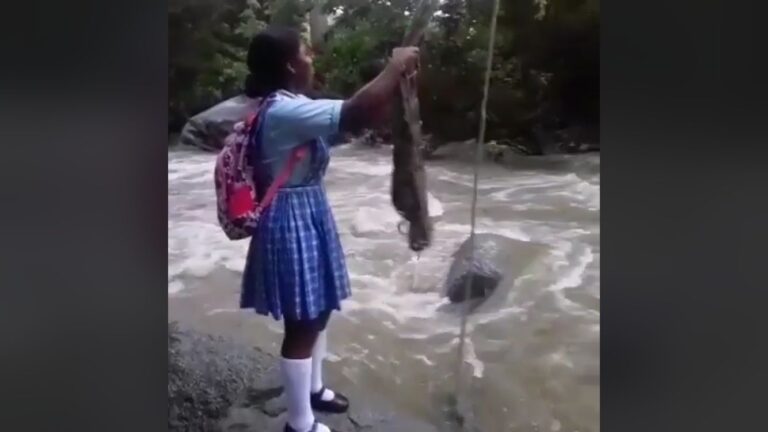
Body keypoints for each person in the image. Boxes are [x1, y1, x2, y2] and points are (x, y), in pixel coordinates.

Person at [239, 26, 420, 432]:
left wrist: (392, 82)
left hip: (308, 210)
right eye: (306, 52)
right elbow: (355, 111)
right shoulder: (283, 111)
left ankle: (315, 389)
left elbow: (352, 121)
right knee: (302, 321)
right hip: (291, 217)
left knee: (317, 309)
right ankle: (300, 424)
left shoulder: (291, 105)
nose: (311, 58)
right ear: (290, 64)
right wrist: (393, 67)